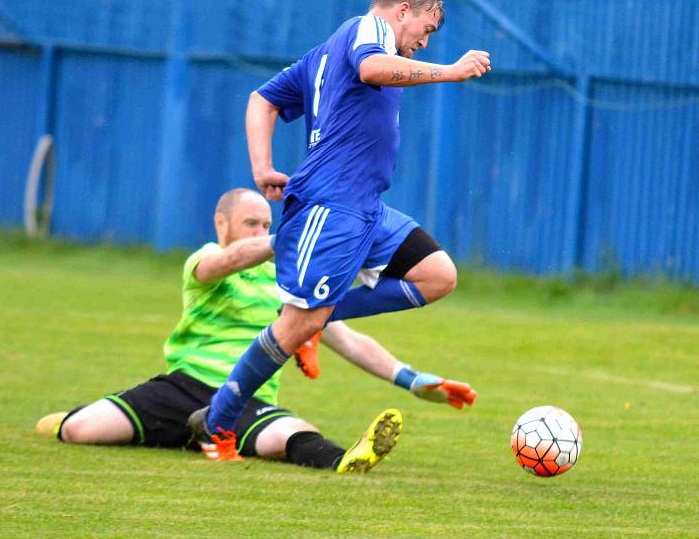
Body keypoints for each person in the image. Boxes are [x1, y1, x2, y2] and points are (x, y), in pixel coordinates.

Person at [191, 0, 487, 459]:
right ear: (403, 11)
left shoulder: (324, 53)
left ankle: (320, 321)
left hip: (366, 207)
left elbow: (262, 100)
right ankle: (216, 422)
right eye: (426, 30)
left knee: (438, 275)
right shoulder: (368, 30)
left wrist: (263, 166)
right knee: (294, 326)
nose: (424, 44)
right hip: (329, 208)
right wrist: (449, 72)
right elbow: (372, 68)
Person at [36, 188, 476, 473]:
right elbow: (227, 261)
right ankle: (149, 424)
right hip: (181, 388)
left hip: (249, 398)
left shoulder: (294, 285)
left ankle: (348, 458)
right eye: (253, 224)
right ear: (221, 224)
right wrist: (284, 237)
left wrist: (415, 380)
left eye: (268, 224)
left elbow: (347, 339)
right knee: (80, 432)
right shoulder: (204, 262)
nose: (262, 232)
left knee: (290, 435)